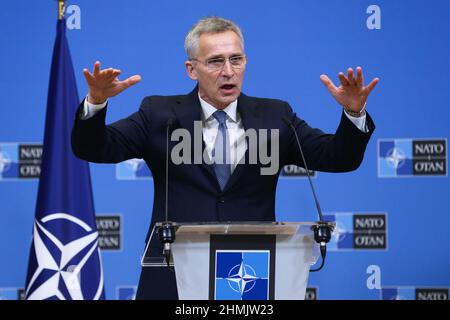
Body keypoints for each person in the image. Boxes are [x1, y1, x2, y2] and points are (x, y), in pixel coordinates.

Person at [71, 16, 379, 299]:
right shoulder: (160, 115)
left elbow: (339, 158)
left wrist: (353, 112)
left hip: (249, 276)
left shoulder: (275, 116)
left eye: (236, 59)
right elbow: (95, 148)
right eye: (216, 61)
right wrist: (96, 104)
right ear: (192, 69)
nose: (228, 71)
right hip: (174, 276)